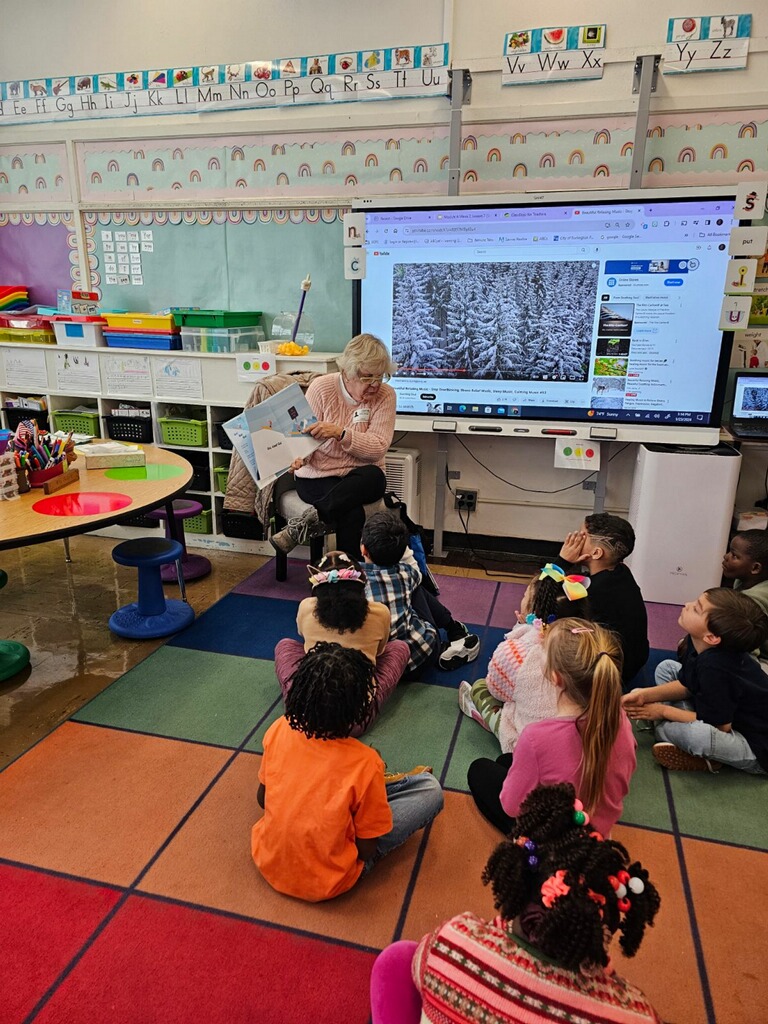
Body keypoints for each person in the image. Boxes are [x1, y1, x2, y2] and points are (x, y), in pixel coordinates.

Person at [370, 782, 663, 1024]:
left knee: (397, 960)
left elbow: (421, 968)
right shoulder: (631, 1013)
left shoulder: (452, 941)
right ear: (605, 925)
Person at [251, 642, 444, 902]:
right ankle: (373, 796)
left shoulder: (279, 727)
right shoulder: (366, 762)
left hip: (269, 860)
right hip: (332, 879)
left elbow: (263, 799)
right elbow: (366, 850)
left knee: (348, 788)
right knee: (430, 790)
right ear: (358, 708)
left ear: (300, 692)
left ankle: (363, 799)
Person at [467, 618, 636, 836]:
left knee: (479, 769)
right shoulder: (620, 721)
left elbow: (511, 806)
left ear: (556, 678)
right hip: (599, 830)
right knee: (505, 761)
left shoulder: (537, 738)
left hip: (554, 840)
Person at [269, 333, 397, 558]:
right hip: (318, 477)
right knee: (352, 513)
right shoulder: (321, 388)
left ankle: (306, 524)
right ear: (348, 372)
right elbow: (302, 440)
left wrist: (341, 434)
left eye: (380, 376)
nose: (375, 385)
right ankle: (348, 581)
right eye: (368, 377)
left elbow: (378, 447)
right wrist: (299, 457)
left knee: (375, 476)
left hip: (360, 478)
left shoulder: (386, 396)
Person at [622, 587, 768, 774]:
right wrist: (645, 695)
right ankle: (674, 736)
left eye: (696, 609)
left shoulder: (717, 667)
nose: (687, 605)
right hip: (717, 711)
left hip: (754, 745)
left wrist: (662, 710)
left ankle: (692, 748)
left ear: (712, 637)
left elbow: (720, 726)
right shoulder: (697, 640)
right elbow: (687, 685)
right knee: (666, 668)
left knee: (697, 735)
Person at [458, 563, 591, 752]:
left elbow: (496, 689)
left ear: (533, 611)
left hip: (535, 746)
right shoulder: (593, 643)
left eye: (524, 595)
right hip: (586, 740)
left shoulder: (521, 651)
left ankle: (491, 720)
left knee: (481, 687)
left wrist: (520, 629)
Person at [273, 550, 409, 733]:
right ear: (361, 585)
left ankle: (297, 697)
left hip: (306, 713)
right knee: (400, 647)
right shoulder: (380, 612)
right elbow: (380, 651)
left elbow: (301, 634)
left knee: (286, 645)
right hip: (357, 718)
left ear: (316, 588)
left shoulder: (306, 606)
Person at [360, 510, 479, 676]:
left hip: (378, 666)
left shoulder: (352, 578)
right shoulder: (406, 573)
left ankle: (449, 637)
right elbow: (418, 574)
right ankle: (451, 632)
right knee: (416, 590)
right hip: (418, 658)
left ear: (363, 549)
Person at [559, 513, 649, 687]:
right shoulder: (620, 572)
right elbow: (572, 583)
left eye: (581, 536)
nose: (575, 538)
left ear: (597, 552)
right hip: (633, 661)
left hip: (612, 674)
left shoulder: (593, 592)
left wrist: (562, 561)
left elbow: (540, 596)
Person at [721, 528, 768, 658]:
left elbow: (748, 648)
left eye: (734, 556)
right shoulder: (744, 581)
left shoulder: (753, 600)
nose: (726, 556)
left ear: (755, 568)